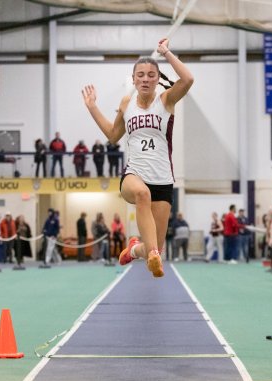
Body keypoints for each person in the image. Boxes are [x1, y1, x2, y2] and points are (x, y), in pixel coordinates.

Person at [82, 37, 194, 278]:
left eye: (151, 75)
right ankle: (151, 253)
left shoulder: (166, 99)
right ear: (133, 79)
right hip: (134, 175)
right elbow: (113, 135)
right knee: (142, 194)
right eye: (140, 75)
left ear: (157, 79)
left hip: (163, 180)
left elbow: (188, 79)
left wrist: (166, 53)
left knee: (156, 247)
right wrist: (92, 108)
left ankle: (135, 250)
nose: (145, 79)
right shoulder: (126, 103)